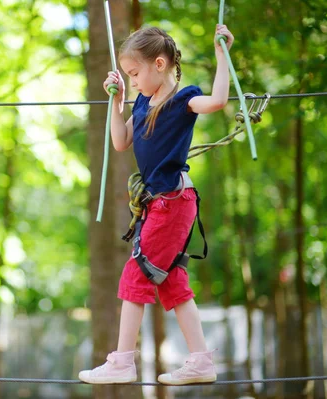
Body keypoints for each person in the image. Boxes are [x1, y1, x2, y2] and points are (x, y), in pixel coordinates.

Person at [78, 24, 234, 386]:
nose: (133, 81)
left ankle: (121, 361)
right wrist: (116, 104)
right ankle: (200, 360)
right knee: (170, 281)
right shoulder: (143, 102)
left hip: (173, 203)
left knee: (137, 272)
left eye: (135, 74)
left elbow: (218, 101)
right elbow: (120, 141)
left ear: (159, 64)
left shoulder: (184, 101)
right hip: (160, 205)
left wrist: (221, 55)